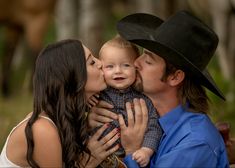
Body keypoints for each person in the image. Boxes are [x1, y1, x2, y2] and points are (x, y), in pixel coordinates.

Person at [88, 11, 230, 167]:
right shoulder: (146, 114)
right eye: (141, 54)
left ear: (174, 77)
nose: (136, 63)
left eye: (148, 60)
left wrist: (132, 150)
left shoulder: (194, 143)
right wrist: (94, 119)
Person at [0, 39, 120, 168]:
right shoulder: (42, 129)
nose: (101, 63)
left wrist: (86, 127)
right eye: (91, 62)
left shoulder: (64, 121)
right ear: (72, 77)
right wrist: (87, 162)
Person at [88, 35, 162, 167]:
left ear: (136, 68)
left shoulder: (143, 100)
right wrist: (87, 103)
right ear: (101, 68)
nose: (118, 71)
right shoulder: (97, 94)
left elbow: (154, 128)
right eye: (110, 66)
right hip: (97, 158)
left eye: (126, 65)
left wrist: (146, 150)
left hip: (126, 161)